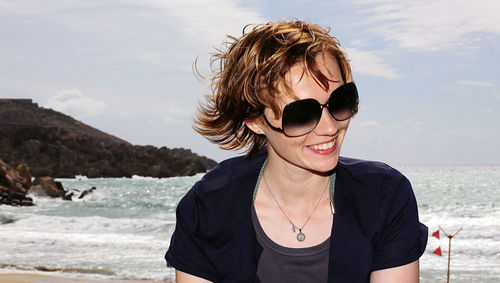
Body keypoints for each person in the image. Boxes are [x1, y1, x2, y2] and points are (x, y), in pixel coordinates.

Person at [165, 20, 428, 282]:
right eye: (302, 114)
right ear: (254, 120)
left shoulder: (384, 195)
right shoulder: (209, 206)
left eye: (340, 101)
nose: (329, 128)